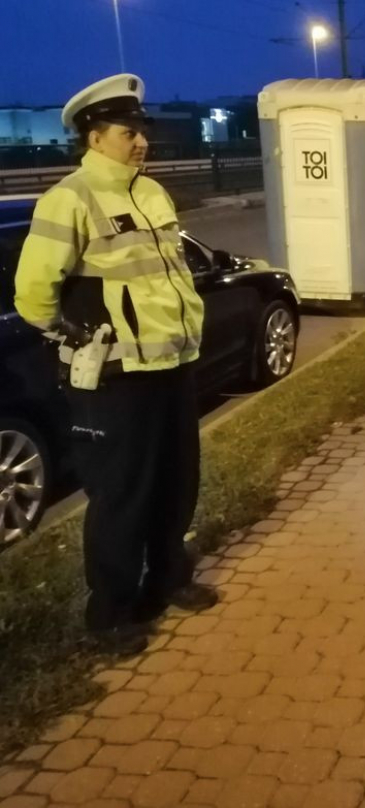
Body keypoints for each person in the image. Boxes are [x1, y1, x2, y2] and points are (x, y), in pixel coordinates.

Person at [14, 74, 217, 656]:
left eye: (142, 131)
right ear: (94, 136)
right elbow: (33, 291)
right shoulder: (69, 199)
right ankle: (110, 612)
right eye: (129, 132)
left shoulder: (152, 194)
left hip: (171, 365)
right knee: (121, 493)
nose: (141, 141)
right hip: (114, 378)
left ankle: (168, 578)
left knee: (176, 481)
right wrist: (70, 337)